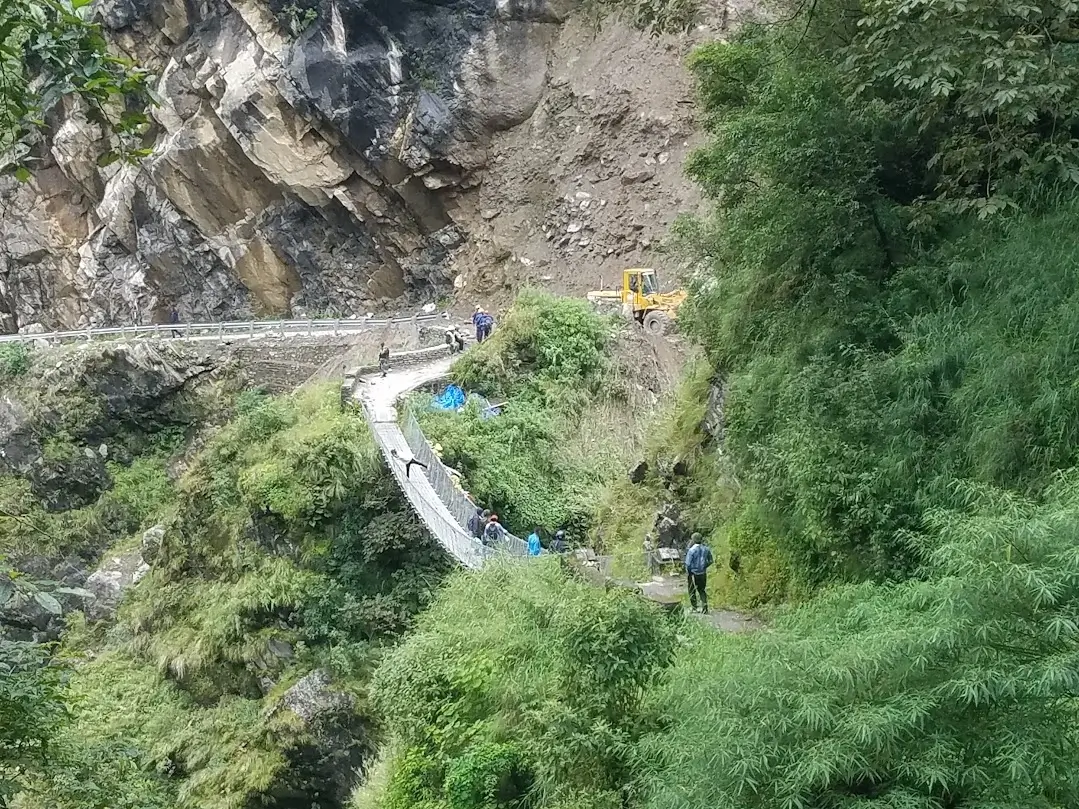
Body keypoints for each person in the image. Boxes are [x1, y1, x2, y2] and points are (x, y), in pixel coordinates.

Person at [684, 532, 714, 614]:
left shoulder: (691, 550)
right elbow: (711, 561)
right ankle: (705, 608)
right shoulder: (706, 549)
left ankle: (694, 608)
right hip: (703, 573)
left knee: (692, 590)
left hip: (693, 573)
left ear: (693, 540)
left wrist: (689, 573)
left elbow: (688, 563)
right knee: (702, 590)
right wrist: (704, 566)